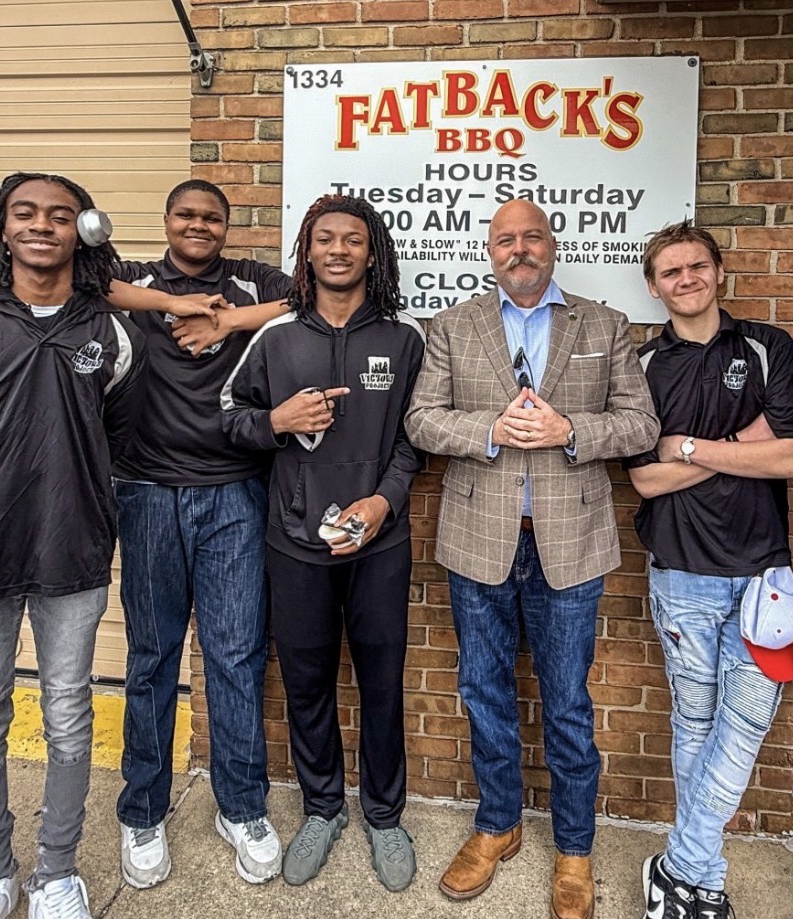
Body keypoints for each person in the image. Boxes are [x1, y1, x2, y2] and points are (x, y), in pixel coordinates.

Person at [404, 199, 659, 919]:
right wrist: (489, 426)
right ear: (490, 250)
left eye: (532, 237)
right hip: (477, 539)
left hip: (571, 544)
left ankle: (575, 848)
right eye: (505, 239)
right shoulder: (453, 326)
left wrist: (568, 427)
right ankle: (498, 824)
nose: (519, 249)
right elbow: (421, 418)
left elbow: (642, 422)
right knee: (484, 691)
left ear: (553, 245)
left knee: (569, 703)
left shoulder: (604, 325)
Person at [0, 172, 146, 919]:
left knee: (70, 710)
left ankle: (56, 872)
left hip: (71, 556)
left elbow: (115, 440)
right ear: (1, 226)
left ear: (87, 229)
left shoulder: (110, 334)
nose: (43, 225)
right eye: (26, 212)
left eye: (61, 214)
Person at [222, 194, 425, 893]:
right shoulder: (275, 337)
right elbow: (231, 418)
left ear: (374, 253)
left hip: (379, 542)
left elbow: (412, 440)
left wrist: (381, 501)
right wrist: (276, 419)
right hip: (294, 541)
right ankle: (321, 807)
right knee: (306, 682)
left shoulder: (404, 339)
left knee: (381, 683)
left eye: (354, 240)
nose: (339, 250)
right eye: (325, 239)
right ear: (306, 251)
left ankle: (384, 814)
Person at [102, 180, 293, 888]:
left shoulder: (251, 282)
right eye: (186, 214)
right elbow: (94, 283)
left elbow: (309, 293)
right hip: (147, 492)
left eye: (212, 217)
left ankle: (241, 805)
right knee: (153, 656)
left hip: (235, 494)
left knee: (236, 655)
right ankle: (143, 811)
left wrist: (230, 322)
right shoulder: (140, 280)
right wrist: (176, 304)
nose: (199, 225)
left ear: (227, 226)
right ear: (167, 221)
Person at [624, 223, 793, 919]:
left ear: (719, 270)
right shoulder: (644, 365)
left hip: (764, 576)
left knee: (748, 720)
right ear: (654, 284)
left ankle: (682, 861)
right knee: (694, 722)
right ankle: (696, 882)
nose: (686, 279)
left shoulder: (767, 347)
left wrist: (694, 446)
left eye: (696, 265)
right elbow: (644, 478)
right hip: (681, 574)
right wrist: (746, 440)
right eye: (670, 271)